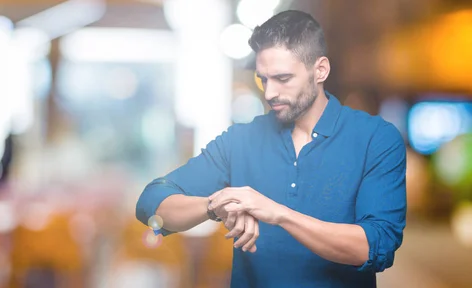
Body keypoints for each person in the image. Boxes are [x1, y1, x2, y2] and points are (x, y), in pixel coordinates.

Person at [136, 10, 406, 288]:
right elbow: (150, 202)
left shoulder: (376, 138)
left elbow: (377, 247)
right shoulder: (241, 140)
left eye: (283, 78)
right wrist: (216, 206)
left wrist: (279, 214)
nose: (269, 93)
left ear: (320, 70)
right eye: (263, 79)